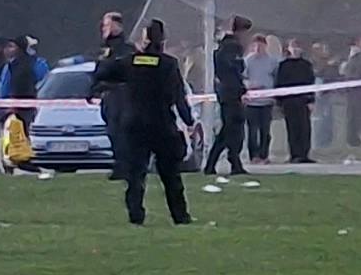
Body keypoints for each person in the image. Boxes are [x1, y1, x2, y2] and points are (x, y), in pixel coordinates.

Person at [93, 12, 194, 226]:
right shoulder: (169, 64)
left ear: (144, 40)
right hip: (162, 124)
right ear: (163, 41)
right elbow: (179, 95)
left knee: (136, 175)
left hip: (134, 124)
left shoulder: (130, 62)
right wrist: (188, 120)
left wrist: (107, 52)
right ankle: (180, 215)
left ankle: (136, 215)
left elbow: (101, 74)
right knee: (171, 175)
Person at [206, 20, 251, 178]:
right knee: (233, 129)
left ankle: (218, 162)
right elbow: (236, 68)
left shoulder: (222, 47)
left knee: (228, 130)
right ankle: (231, 160)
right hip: (231, 92)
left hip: (226, 92)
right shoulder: (233, 47)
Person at [272, 37, 319, 164]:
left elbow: (311, 82)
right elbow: (279, 83)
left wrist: (311, 100)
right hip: (289, 102)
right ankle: (294, 154)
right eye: (293, 46)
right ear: (288, 48)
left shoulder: (306, 65)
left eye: (298, 46)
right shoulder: (283, 65)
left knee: (305, 128)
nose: (296, 49)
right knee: (292, 128)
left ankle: (304, 154)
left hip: (303, 101)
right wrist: (279, 101)